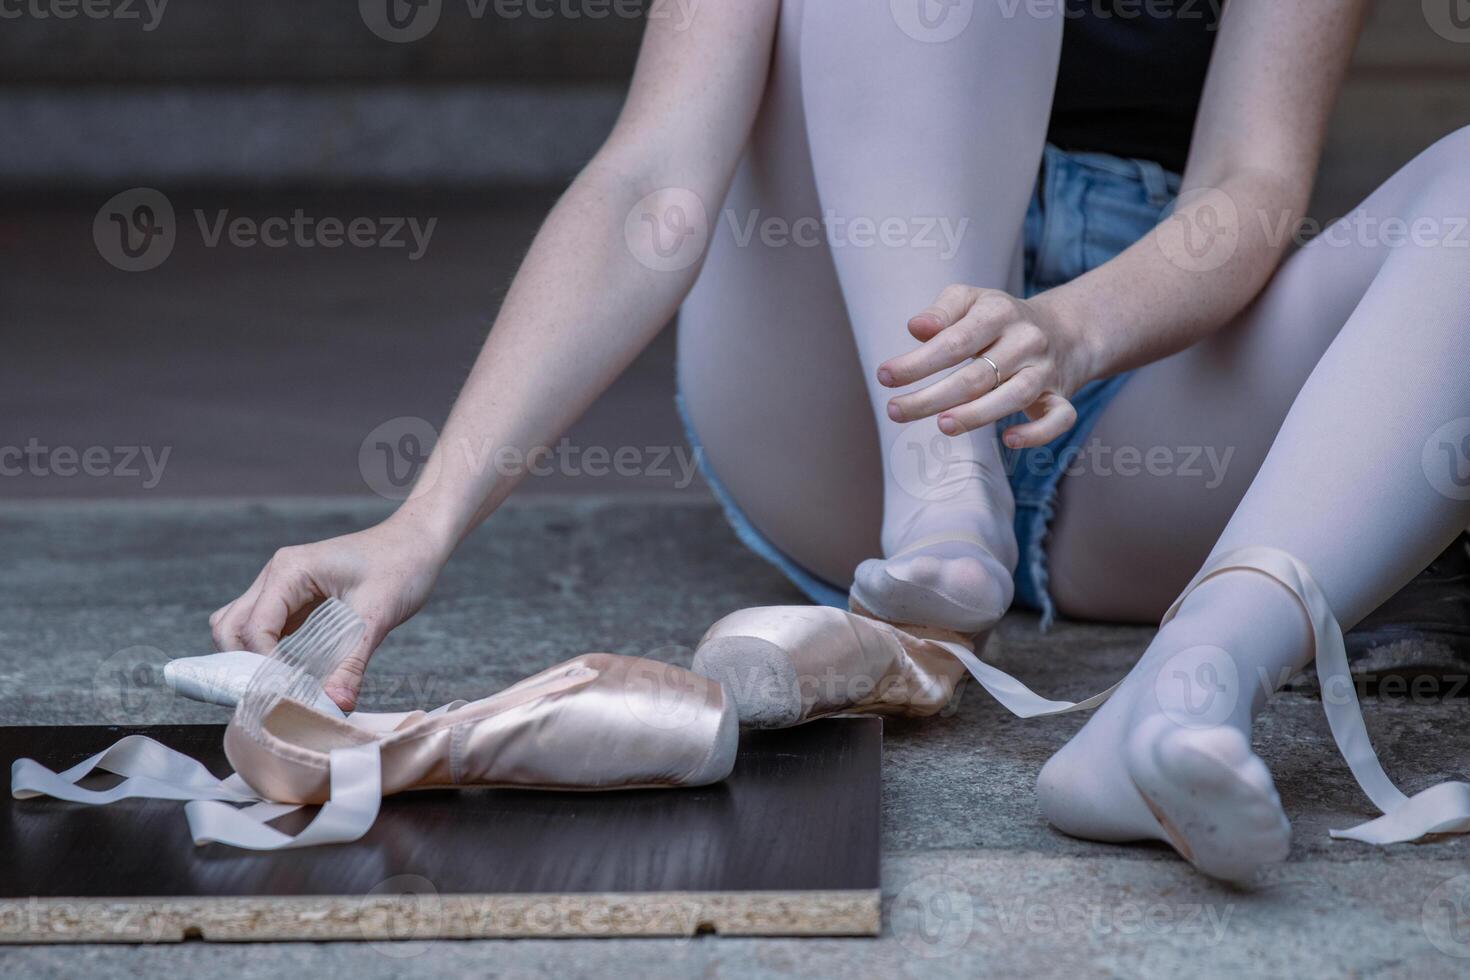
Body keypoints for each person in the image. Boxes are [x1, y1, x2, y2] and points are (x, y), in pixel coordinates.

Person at [212, 1, 1470, 877]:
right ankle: (944, 505)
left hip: (1144, 383)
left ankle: (1188, 691)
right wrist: (419, 524)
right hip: (850, 400)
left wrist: (1070, 332)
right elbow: (652, 182)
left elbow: (1248, 193)